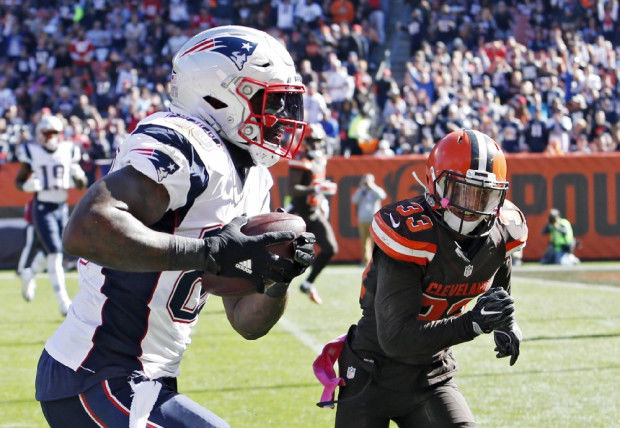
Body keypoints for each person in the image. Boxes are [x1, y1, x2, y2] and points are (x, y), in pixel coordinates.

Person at [34, 26, 315, 428]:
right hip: (95, 372)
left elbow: (247, 321)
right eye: (269, 100)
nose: (283, 116)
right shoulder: (183, 140)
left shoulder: (255, 179)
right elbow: (87, 229)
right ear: (221, 95)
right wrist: (209, 253)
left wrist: (278, 277)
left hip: (150, 379)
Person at [314, 129, 528, 427]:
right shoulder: (411, 234)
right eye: (462, 191)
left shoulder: (503, 232)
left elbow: (499, 276)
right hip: (372, 371)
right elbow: (396, 339)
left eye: (484, 195)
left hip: (432, 374)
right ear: (435, 183)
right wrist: (473, 323)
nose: (472, 206)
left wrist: (506, 322)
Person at [15, 114, 87, 315]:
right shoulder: (32, 151)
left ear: (60, 134)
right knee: (55, 252)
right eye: (46, 133)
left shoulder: (68, 150)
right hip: (42, 207)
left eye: (54, 133)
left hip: (61, 206)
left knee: (51, 251)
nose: (50, 137)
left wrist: (79, 177)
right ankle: (64, 302)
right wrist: (27, 186)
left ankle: (29, 274)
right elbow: (19, 181)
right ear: (39, 134)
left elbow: (80, 182)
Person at [287, 123, 339, 305]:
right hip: (298, 214)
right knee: (284, 256)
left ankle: (308, 284)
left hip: (314, 212)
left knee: (330, 248)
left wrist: (321, 196)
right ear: (306, 141)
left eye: (319, 141)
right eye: (314, 141)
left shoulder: (320, 160)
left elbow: (317, 185)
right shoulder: (301, 160)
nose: (317, 145)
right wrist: (314, 188)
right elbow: (292, 189)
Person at [350, 173, 386, 266]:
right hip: (362, 219)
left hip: (374, 219)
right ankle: (366, 261)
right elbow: (354, 200)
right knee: (364, 241)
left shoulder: (375, 190)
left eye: (368, 180)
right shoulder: (362, 191)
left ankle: (377, 261)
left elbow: (382, 196)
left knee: (376, 241)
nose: (366, 182)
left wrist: (372, 186)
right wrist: (361, 188)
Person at [16, 197, 47, 302]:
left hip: (45, 228)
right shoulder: (34, 201)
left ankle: (30, 273)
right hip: (33, 226)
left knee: (48, 252)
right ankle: (22, 270)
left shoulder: (53, 200)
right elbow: (28, 217)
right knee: (29, 247)